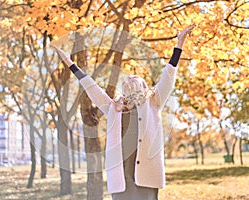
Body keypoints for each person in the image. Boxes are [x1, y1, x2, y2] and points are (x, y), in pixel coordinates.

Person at [51, 24, 195, 200]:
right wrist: (69, 63)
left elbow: (169, 75)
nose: (131, 78)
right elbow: (91, 86)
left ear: (144, 86)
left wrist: (179, 44)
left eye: (137, 78)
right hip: (122, 176)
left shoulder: (154, 102)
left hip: (145, 175)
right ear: (123, 88)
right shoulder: (114, 107)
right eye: (128, 79)